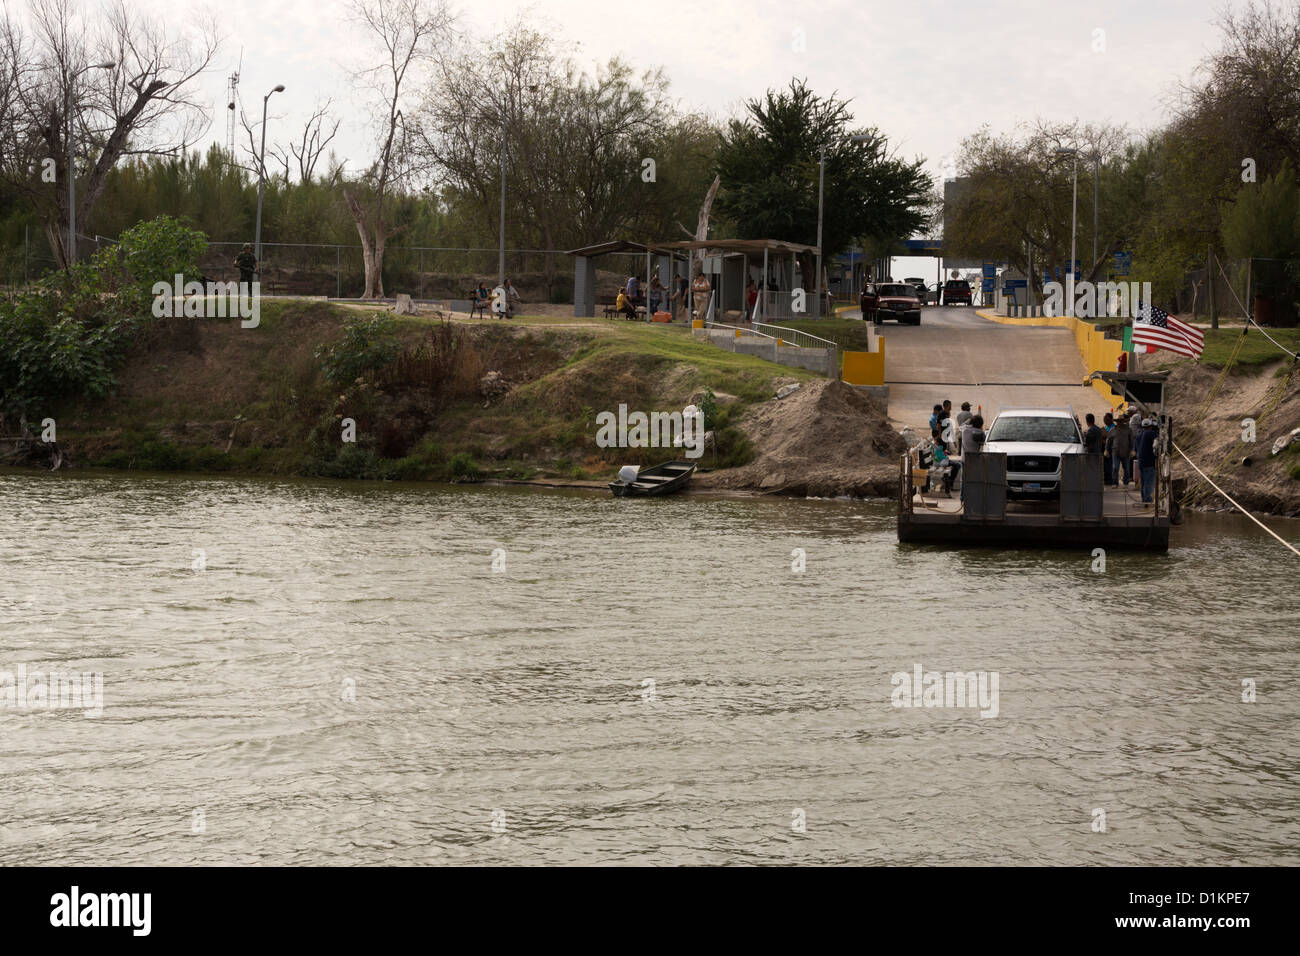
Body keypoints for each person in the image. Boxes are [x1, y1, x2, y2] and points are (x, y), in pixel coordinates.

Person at [1136, 418, 1159, 506]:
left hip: (1141, 462)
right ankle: (1148, 501)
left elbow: (1137, 448)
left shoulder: (1139, 435)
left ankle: (1144, 500)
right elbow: (1156, 443)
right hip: (1149, 462)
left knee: (1143, 483)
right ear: (1150, 426)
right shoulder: (1151, 433)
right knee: (1149, 483)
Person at [931, 432, 960, 496]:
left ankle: (950, 481)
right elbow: (935, 452)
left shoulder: (938, 447)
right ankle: (950, 482)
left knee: (957, 465)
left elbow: (936, 449)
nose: (934, 442)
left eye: (935, 441)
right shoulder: (937, 447)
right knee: (957, 465)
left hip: (943, 461)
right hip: (942, 462)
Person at [1110, 410, 1134, 486]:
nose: (1119, 422)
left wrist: (1132, 450)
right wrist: (1106, 450)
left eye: (1121, 421)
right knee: (1115, 468)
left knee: (1126, 468)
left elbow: (1132, 440)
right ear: (1116, 422)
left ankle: (1126, 482)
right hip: (1115, 451)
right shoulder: (1113, 430)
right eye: (1118, 421)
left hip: (1126, 452)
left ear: (1123, 421)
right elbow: (1109, 440)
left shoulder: (1128, 430)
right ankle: (1115, 483)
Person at [1101, 412, 1116, 486]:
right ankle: (1107, 479)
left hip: (1111, 449)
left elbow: (1109, 438)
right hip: (1105, 448)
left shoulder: (1113, 428)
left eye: (1106, 418)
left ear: (1111, 419)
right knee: (1106, 465)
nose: (1104, 420)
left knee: (1109, 465)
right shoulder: (1105, 427)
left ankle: (1110, 479)